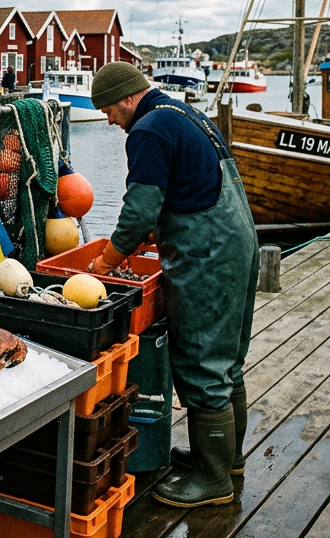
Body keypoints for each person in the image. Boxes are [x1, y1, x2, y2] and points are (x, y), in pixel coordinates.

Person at [88, 61, 258, 508]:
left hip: (208, 255)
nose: (108, 120)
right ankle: (226, 458)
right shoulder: (181, 112)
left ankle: (212, 479)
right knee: (227, 361)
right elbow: (188, 187)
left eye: (108, 109)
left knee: (202, 362)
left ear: (128, 98)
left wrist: (106, 261)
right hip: (237, 241)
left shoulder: (147, 129)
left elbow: (140, 208)